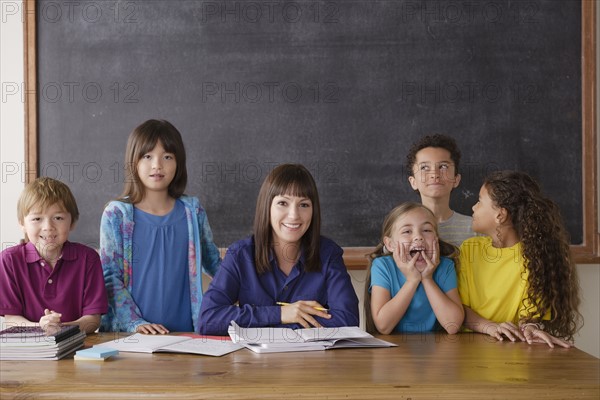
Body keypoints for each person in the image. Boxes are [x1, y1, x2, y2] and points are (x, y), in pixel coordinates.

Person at [198, 164, 359, 335]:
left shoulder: (328, 254)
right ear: (267, 207)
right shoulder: (240, 254)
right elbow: (208, 319)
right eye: (283, 203)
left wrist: (270, 324)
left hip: (310, 361)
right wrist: (281, 314)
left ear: (314, 211)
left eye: (303, 205)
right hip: (255, 361)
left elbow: (348, 321)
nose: (294, 215)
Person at [99, 119, 221, 333]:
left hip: (186, 335)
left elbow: (214, 264)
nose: (157, 165)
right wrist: (135, 323)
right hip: (130, 337)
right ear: (133, 161)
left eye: (167, 157)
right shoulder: (117, 215)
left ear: (178, 163)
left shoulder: (192, 211)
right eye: (147, 156)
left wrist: (253, 293)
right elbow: (110, 277)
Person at [458, 170, 582, 348]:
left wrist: (530, 328)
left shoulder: (536, 257)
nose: (473, 207)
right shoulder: (469, 250)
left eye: (479, 201)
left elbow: (528, 318)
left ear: (500, 215)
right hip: (467, 348)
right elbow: (459, 308)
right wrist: (490, 327)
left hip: (512, 350)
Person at [0, 177, 107, 334]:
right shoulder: (9, 260)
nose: (48, 227)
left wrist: (61, 329)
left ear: (72, 222)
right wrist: (42, 327)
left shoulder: (88, 259)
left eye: (58, 218)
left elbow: (93, 320)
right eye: (37, 219)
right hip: (29, 351)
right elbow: (11, 320)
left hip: (78, 348)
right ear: (22, 223)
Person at [364, 202, 464, 334]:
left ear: (436, 239)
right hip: (394, 350)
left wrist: (427, 279)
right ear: (390, 244)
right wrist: (412, 280)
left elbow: (453, 326)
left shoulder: (445, 266)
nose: (418, 237)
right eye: (407, 231)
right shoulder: (382, 266)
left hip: (436, 348)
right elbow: (383, 326)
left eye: (427, 230)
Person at [406, 134, 475, 247]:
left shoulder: (475, 228)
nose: (434, 174)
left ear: (456, 180)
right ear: (413, 182)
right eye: (424, 168)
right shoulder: (401, 228)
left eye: (443, 167)